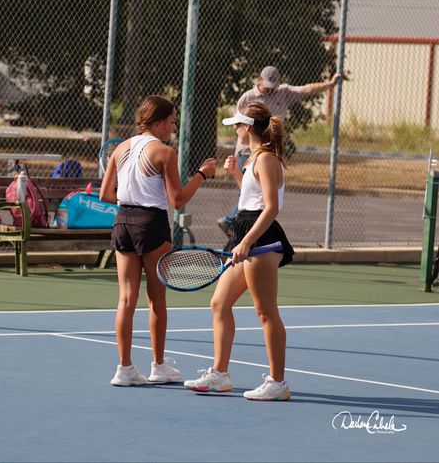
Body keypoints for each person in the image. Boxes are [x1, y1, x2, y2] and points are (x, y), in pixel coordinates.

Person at [100, 95, 217, 387]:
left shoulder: (120, 149)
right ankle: (159, 366)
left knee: (126, 298)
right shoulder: (164, 152)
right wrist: (203, 174)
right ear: (159, 122)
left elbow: (105, 195)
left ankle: (124, 369)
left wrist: (132, 201)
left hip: (123, 222)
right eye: (172, 121)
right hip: (151, 225)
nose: (174, 126)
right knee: (157, 298)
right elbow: (177, 200)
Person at [184, 101, 295, 401]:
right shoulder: (254, 158)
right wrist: (237, 174)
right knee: (219, 303)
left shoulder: (267, 159)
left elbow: (270, 207)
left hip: (262, 238)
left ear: (247, 128)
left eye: (237, 125)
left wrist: (246, 242)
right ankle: (220, 375)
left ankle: (278, 383)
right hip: (245, 232)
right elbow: (252, 199)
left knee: (265, 312)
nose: (234, 130)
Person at [218, 65, 342, 237]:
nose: (269, 90)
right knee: (248, 194)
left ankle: (233, 222)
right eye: (267, 85)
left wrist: (329, 84)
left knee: (254, 198)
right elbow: (236, 127)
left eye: (272, 87)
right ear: (259, 80)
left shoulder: (266, 159)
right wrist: (237, 172)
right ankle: (235, 224)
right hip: (247, 152)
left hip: (257, 233)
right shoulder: (248, 97)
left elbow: (306, 89)